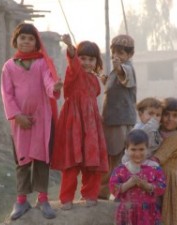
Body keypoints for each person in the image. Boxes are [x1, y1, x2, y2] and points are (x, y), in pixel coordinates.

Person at [1, 23, 62, 220]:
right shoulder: (9, 66)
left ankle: (43, 199)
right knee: (22, 159)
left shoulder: (42, 63)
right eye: (23, 38)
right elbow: (7, 94)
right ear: (15, 41)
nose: (26, 41)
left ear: (36, 42)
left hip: (41, 118)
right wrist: (17, 116)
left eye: (30, 38)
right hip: (19, 121)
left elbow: (47, 82)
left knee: (41, 158)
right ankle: (21, 200)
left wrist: (55, 87)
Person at [50, 34, 108, 210]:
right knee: (71, 162)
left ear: (96, 62)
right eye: (83, 58)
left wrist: (103, 78)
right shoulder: (73, 72)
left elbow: (95, 95)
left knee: (92, 160)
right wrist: (70, 47)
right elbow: (74, 63)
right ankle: (66, 198)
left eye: (91, 59)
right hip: (73, 123)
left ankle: (90, 194)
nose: (86, 62)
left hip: (90, 125)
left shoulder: (94, 80)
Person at [98, 34, 137, 200]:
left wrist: (118, 67)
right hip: (110, 120)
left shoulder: (127, 67)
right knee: (111, 157)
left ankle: (115, 191)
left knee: (119, 157)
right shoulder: (115, 70)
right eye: (114, 52)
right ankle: (106, 191)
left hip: (121, 121)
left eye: (121, 53)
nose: (117, 56)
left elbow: (124, 75)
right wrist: (106, 80)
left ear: (129, 55)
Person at [109, 129, 166, 225]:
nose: (137, 153)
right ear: (126, 150)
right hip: (126, 213)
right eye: (133, 149)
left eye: (141, 149)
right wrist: (127, 184)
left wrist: (147, 186)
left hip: (148, 214)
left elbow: (162, 186)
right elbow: (113, 187)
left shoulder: (154, 168)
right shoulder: (121, 170)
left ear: (147, 149)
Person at [152, 97, 177, 225]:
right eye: (166, 114)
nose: (170, 119)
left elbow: (157, 158)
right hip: (150, 177)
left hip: (166, 181)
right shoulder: (154, 131)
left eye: (175, 115)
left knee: (167, 216)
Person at [121, 97, 163, 166]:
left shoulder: (155, 128)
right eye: (150, 113)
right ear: (141, 115)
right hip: (132, 161)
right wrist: (151, 126)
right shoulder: (139, 129)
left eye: (158, 115)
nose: (154, 118)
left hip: (145, 159)